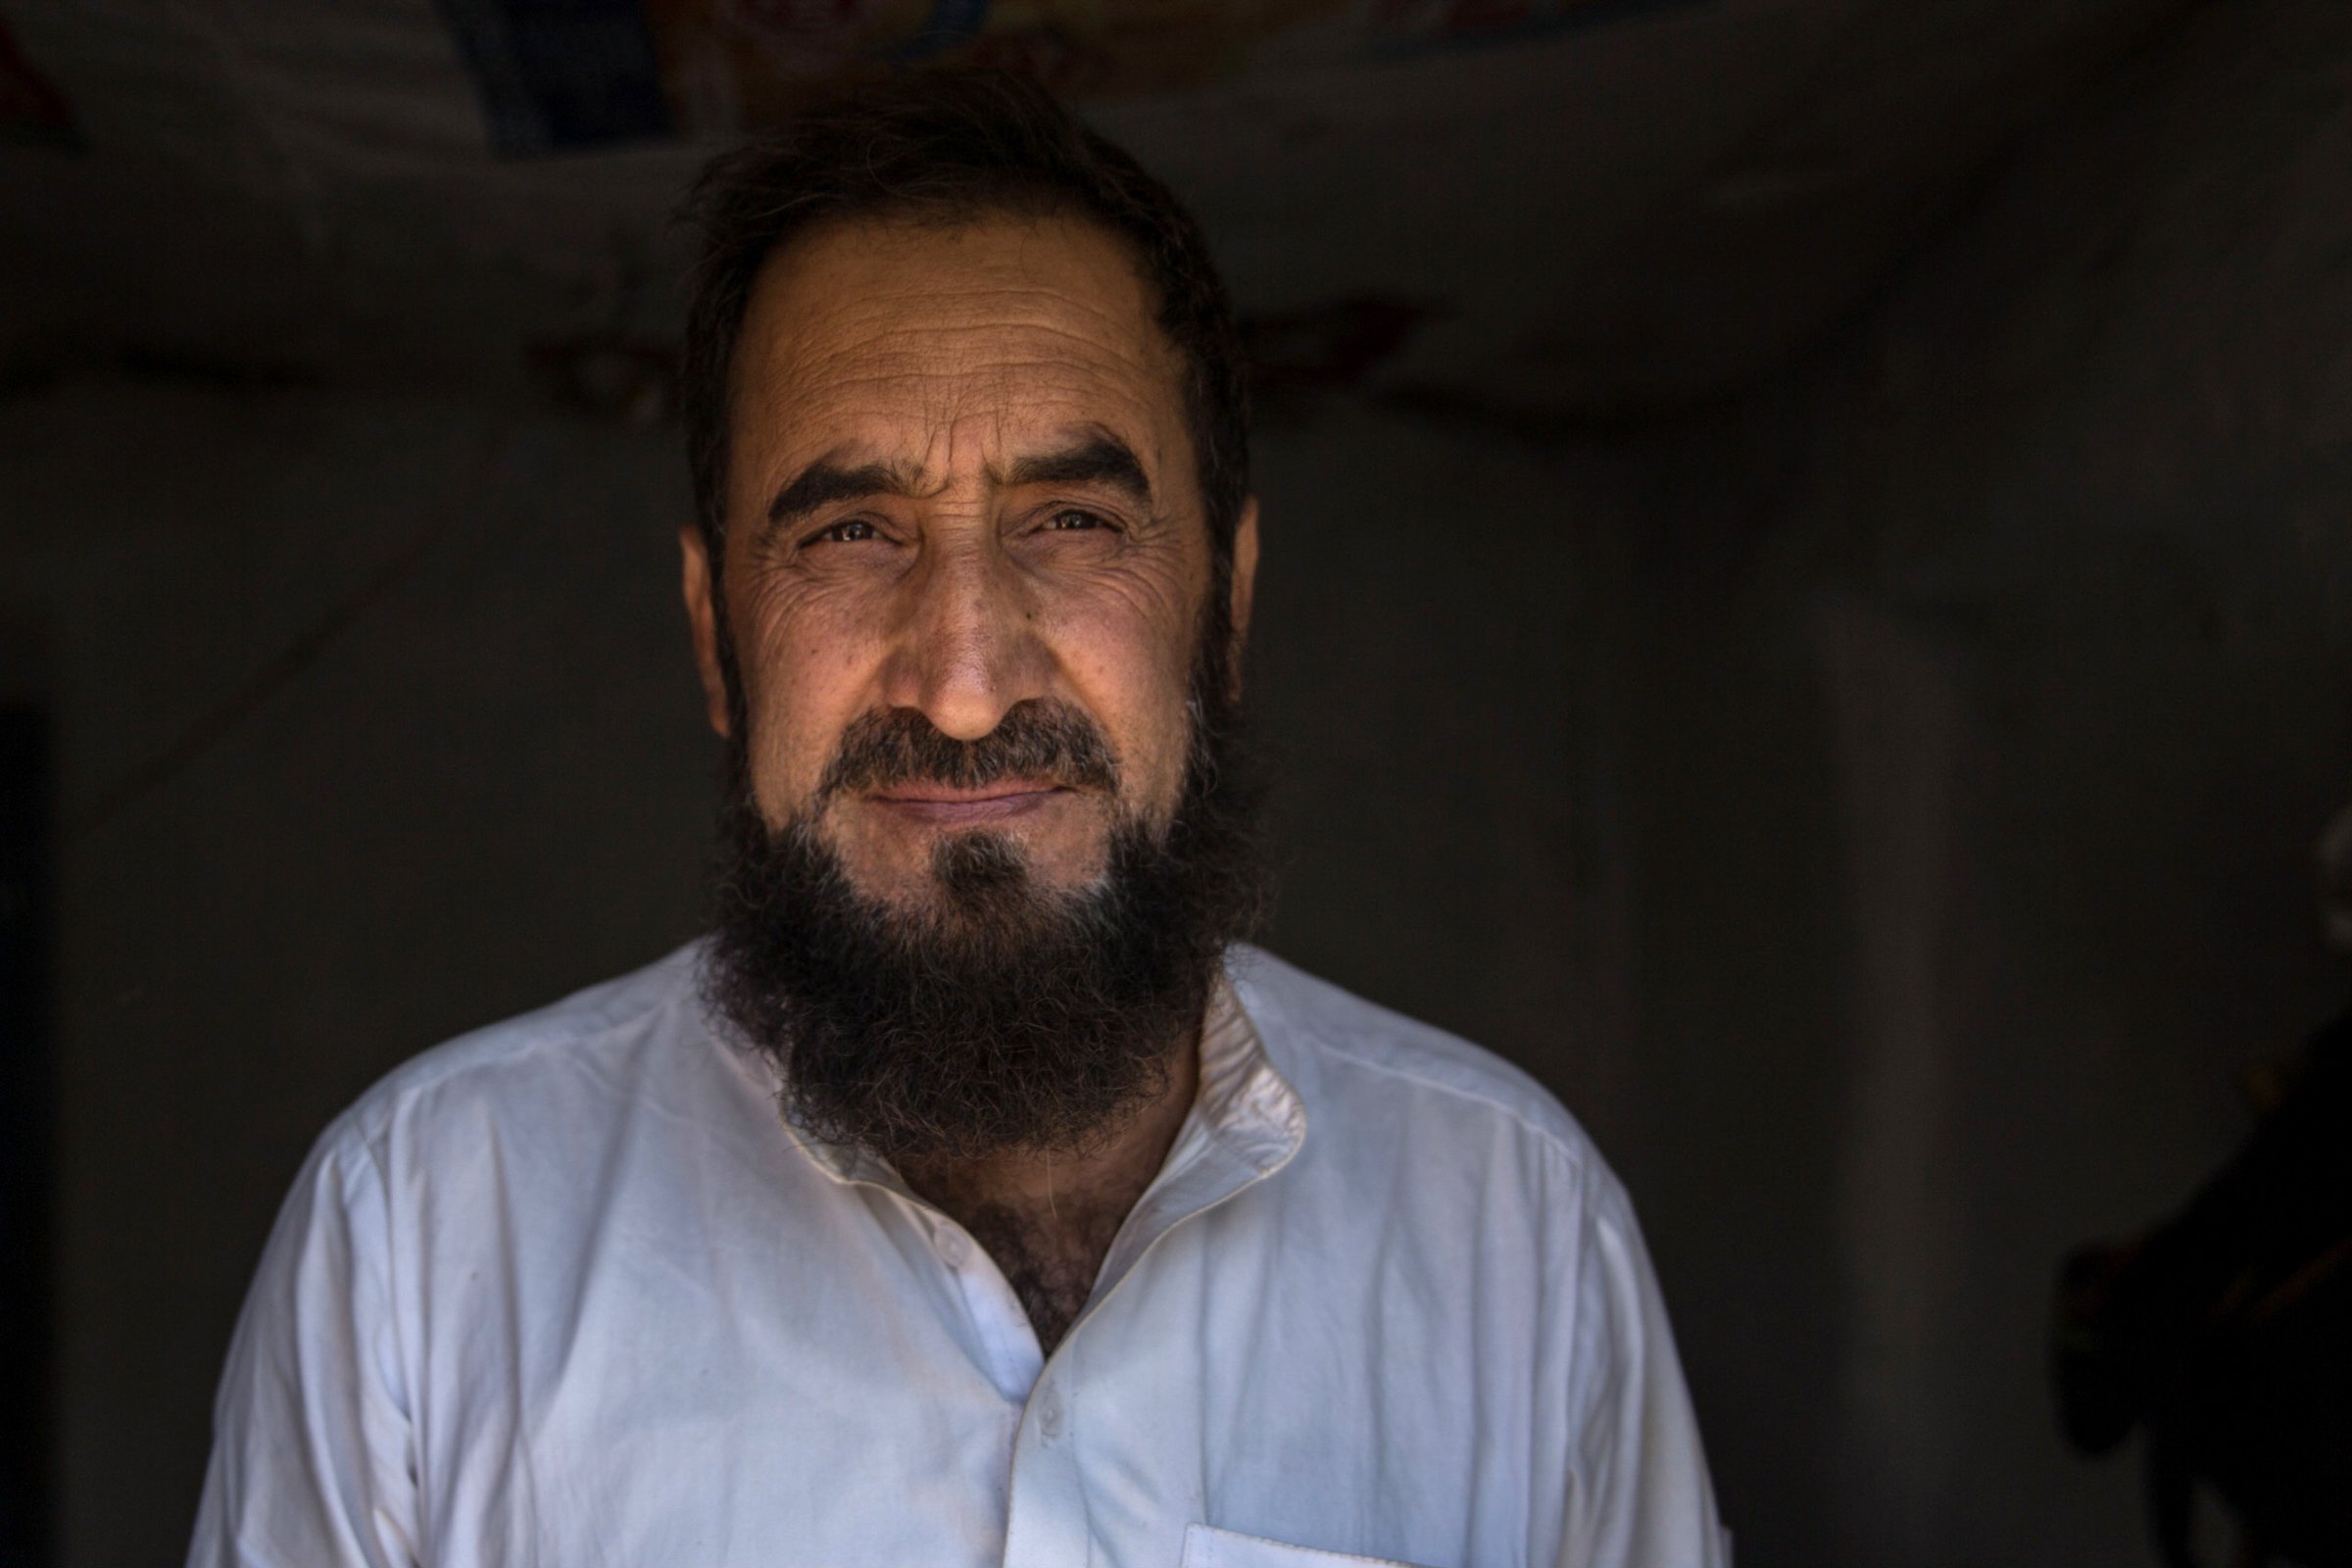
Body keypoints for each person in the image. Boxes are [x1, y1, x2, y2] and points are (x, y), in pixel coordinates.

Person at [188, 69, 1727, 1568]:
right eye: (853, 533)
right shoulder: (417, 1252)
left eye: (1071, 523)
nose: (970, 682)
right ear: (718, 637)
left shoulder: (1518, 1237)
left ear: (1227, 610)